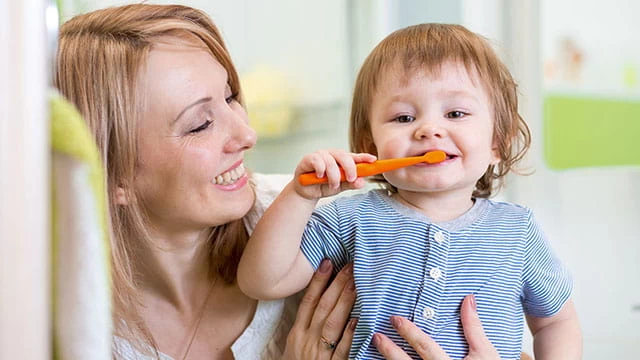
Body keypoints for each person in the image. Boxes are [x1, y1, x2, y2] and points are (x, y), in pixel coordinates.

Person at [237, 23, 582, 359]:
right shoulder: (348, 218)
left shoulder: (516, 231)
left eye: (456, 113)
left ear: (497, 143)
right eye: (403, 118)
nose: (429, 129)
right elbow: (263, 282)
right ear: (369, 145)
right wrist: (300, 195)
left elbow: (556, 322)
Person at [54, 4, 360, 359]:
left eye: (230, 96)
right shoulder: (59, 326)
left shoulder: (322, 227)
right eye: (200, 124)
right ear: (111, 174)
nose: (247, 134)